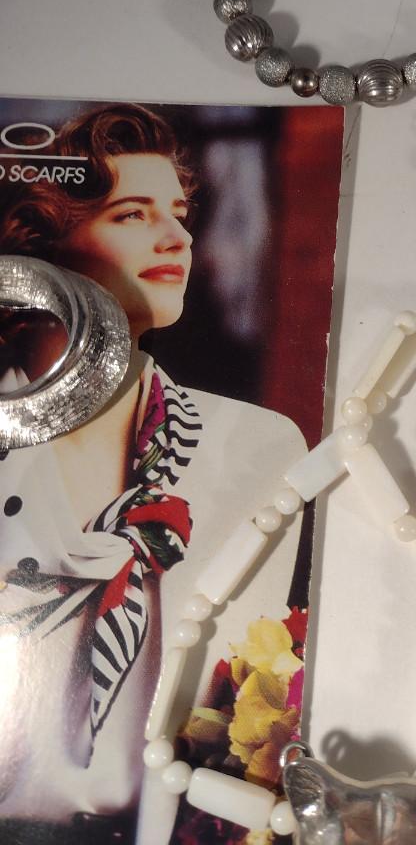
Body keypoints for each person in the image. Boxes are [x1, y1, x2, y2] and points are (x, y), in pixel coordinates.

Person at [0, 105, 309, 845]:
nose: (177, 237)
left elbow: (240, 714)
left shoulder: (257, 445)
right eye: (134, 214)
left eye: (179, 213)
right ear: (45, 244)